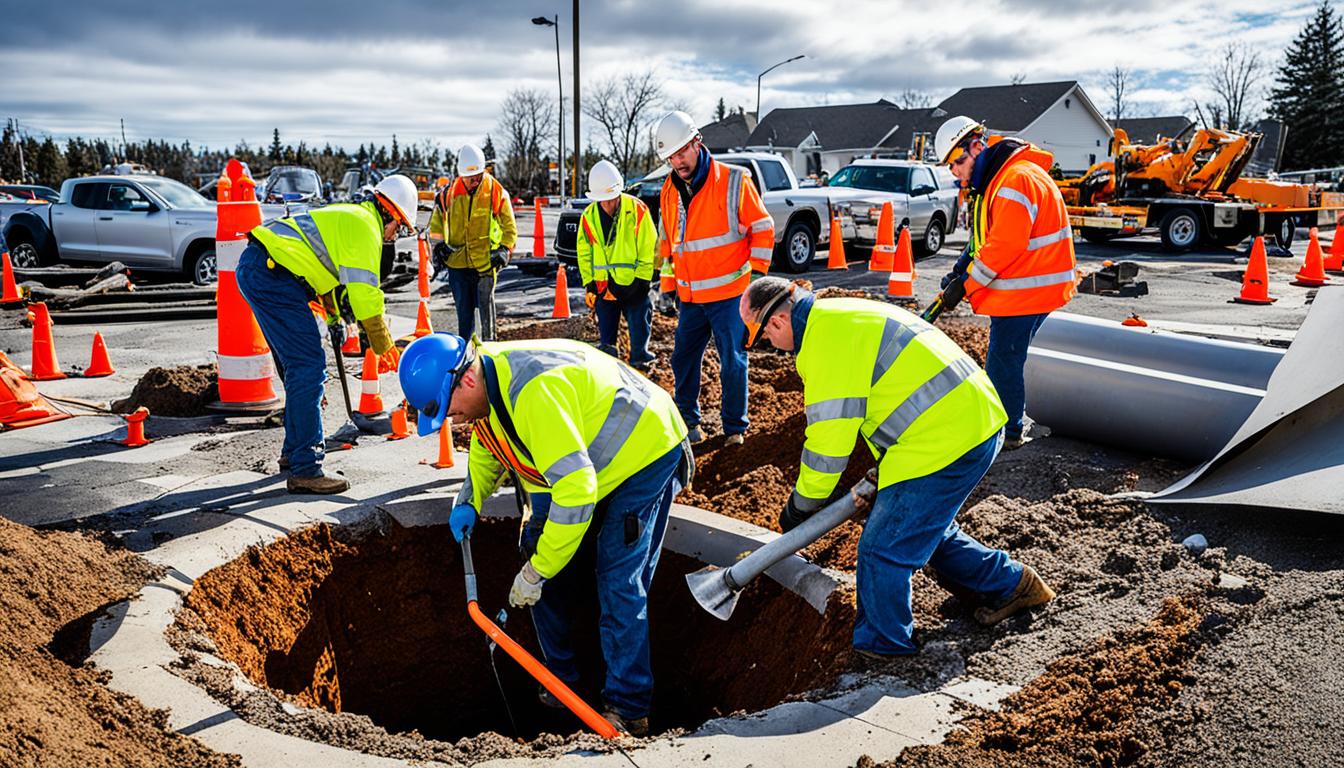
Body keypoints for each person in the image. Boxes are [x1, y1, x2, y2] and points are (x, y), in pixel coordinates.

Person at [740, 276, 1055, 657]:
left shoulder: (824, 343)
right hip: (964, 420)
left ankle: (885, 646)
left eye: (766, 339)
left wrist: (802, 506)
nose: (772, 347)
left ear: (776, 322)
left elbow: (829, 444)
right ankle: (1011, 586)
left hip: (947, 434)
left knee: (882, 546)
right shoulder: (837, 315)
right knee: (923, 529)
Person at [398, 333, 692, 735]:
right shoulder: (489, 382)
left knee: (618, 577)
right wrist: (471, 497)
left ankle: (628, 707)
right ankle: (562, 681)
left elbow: (576, 493)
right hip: (580, 463)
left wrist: (538, 572)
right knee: (537, 547)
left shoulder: (534, 392)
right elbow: (492, 443)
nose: (453, 418)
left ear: (465, 381)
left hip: (643, 451)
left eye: (448, 409)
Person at [238, 175, 414, 494]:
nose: (394, 235)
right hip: (273, 274)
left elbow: (330, 277)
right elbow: (365, 294)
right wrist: (383, 343)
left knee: (297, 370)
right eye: (399, 226)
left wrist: (334, 318)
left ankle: (294, 454)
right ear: (390, 213)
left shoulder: (352, 215)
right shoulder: (366, 226)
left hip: (261, 268)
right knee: (308, 369)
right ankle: (307, 467)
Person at [933, 116, 1077, 449]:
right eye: (950, 166)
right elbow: (984, 238)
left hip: (1031, 285)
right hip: (1026, 283)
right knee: (1008, 357)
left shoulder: (1015, 179)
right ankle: (1006, 424)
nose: (955, 171)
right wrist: (960, 269)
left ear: (977, 146)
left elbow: (1005, 246)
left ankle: (1007, 432)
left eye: (958, 161)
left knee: (1003, 359)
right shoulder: (994, 181)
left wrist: (965, 286)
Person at [653, 110, 774, 445]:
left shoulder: (734, 180)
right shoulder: (668, 191)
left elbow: (763, 230)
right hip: (690, 298)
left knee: (733, 362)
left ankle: (734, 429)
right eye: (671, 157)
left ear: (697, 143)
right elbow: (669, 243)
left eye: (681, 152)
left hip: (731, 295)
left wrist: (757, 283)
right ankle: (689, 424)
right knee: (683, 359)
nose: (677, 161)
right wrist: (667, 287)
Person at [428, 144, 517, 341]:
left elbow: (509, 227)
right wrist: (438, 247)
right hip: (457, 264)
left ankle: (489, 352)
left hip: (485, 262)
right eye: (471, 178)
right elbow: (436, 224)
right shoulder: (448, 194)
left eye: (478, 176)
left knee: (487, 312)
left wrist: (504, 250)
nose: (475, 181)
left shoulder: (495, 191)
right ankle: (466, 354)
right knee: (464, 313)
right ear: (461, 175)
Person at [576, 159, 657, 371]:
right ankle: (609, 360)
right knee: (607, 333)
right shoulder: (588, 217)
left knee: (640, 319)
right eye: (602, 200)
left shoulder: (637, 210)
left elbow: (649, 247)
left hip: (632, 284)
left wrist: (642, 280)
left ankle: (640, 356)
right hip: (604, 287)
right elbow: (584, 253)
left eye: (610, 199)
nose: (607, 204)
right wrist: (590, 284)